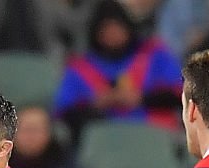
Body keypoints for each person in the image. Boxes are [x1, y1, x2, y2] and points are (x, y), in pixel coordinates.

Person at [53, 0, 184, 141]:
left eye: (118, 28)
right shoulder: (79, 68)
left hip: (156, 139)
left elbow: (180, 94)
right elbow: (63, 114)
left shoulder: (155, 55)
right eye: (106, 30)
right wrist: (96, 105)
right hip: (103, 145)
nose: (113, 35)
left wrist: (141, 98)